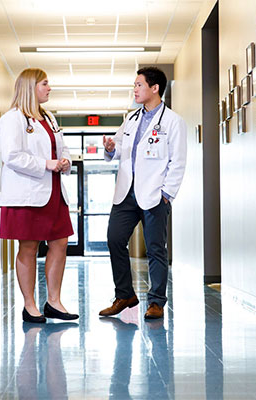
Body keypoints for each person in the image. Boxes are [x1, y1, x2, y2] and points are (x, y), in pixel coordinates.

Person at [99, 67, 187, 320]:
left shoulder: (173, 122)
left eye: (139, 85)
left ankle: (156, 302)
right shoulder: (131, 119)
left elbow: (178, 162)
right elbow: (117, 151)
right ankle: (125, 294)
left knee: (156, 248)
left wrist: (167, 195)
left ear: (155, 88)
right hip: (126, 193)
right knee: (115, 239)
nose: (135, 90)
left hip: (154, 194)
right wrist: (110, 148)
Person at [0, 68, 78, 323]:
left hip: (53, 191)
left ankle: (54, 301)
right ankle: (30, 305)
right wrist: (47, 164)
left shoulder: (49, 117)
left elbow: (60, 147)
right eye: (45, 83)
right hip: (27, 193)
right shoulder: (12, 119)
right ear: (30, 87)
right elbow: (11, 156)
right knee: (29, 246)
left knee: (60, 243)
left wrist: (64, 160)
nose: (49, 88)